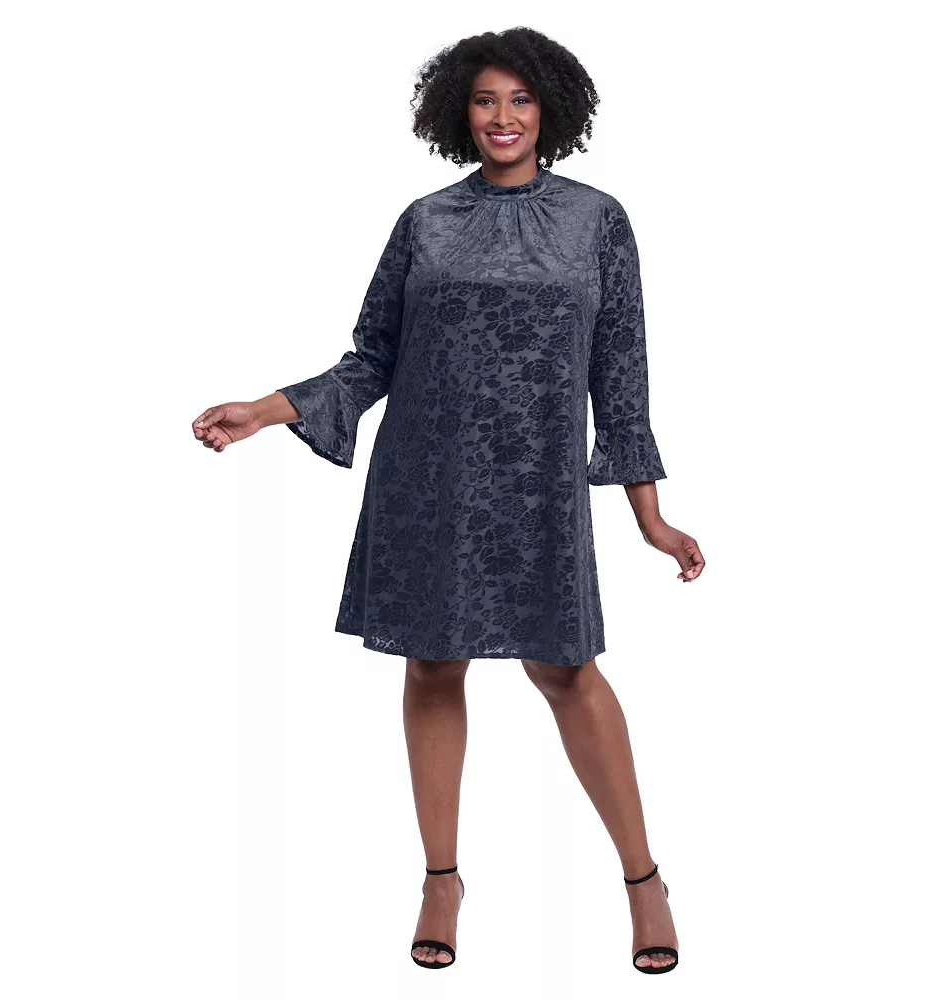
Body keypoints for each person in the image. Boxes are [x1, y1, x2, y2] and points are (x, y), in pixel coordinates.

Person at [192, 26, 704, 975]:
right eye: (484, 100)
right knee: (433, 666)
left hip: (539, 487)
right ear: (457, 113)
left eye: (520, 99)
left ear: (549, 108)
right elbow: (372, 359)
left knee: (566, 671)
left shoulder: (597, 221)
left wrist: (648, 515)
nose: (503, 117)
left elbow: (622, 375)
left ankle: (644, 881)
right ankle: (441, 880)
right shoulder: (425, 221)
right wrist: (268, 409)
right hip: (429, 479)